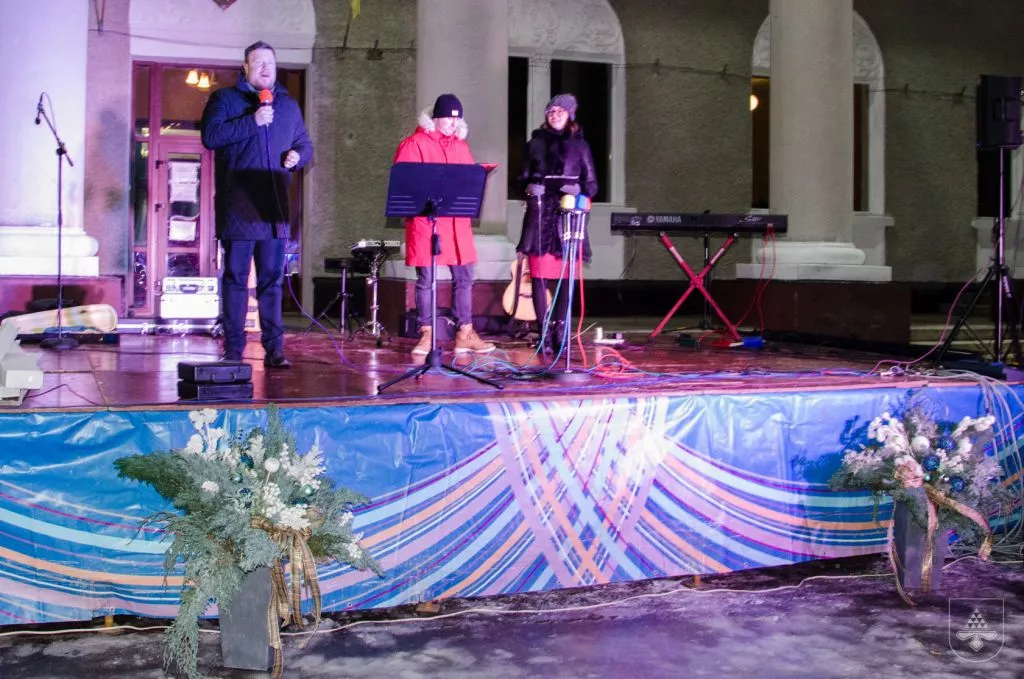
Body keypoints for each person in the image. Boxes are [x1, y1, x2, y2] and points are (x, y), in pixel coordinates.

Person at [201, 40, 313, 368]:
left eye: (271, 63)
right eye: (259, 62)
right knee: (236, 279)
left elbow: (304, 143)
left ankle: (275, 350)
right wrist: (254, 121)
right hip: (239, 206)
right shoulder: (225, 99)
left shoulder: (288, 106)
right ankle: (234, 349)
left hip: (273, 208)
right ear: (246, 67)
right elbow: (211, 137)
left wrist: (298, 156)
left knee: (272, 281)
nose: (266, 68)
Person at [393, 93, 495, 357]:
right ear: (436, 118)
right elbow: (404, 184)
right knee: (426, 279)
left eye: (457, 119)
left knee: (464, 277)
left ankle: (465, 333)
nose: (454, 123)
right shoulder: (414, 144)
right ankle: (426, 334)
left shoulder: (461, 147)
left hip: (457, 225)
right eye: (449, 118)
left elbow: (466, 184)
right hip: (428, 223)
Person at [516, 93, 598, 352]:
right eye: (551, 111)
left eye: (560, 111)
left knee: (566, 277)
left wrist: (578, 190)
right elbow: (521, 180)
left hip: (567, 219)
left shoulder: (580, 146)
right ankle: (543, 332)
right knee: (539, 275)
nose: (555, 115)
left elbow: (592, 185)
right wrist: (529, 188)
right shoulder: (534, 144)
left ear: (570, 115)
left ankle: (561, 331)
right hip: (540, 217)